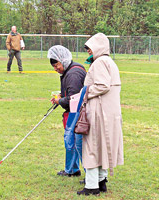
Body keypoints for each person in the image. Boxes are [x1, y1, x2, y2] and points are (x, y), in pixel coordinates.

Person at [77, 33, 124, 196]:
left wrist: (85, 93)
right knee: (103, 145)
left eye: (90, 49)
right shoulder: (110, 62)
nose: (89, 52)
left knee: (91, 147)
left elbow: (102, 85)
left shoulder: (99, 63)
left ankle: (91, 186)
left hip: (99, 112)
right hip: (109, 112)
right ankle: (101, 180)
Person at [48, 45, 86, 177]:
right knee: (73, 143)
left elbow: (73, 99)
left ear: (62, 60)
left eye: (56, 65)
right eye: (53, 66)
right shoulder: (71, 70)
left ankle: (77, 172)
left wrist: (60, 101)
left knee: (73, 142)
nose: (55, 69)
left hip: (76, 113)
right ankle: (72, 169)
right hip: (75, 112)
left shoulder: (73, 74)